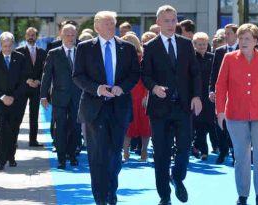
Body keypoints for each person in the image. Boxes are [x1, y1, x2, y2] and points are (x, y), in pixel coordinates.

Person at [73, 11, 139, 205]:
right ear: (97, 27)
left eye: (113, 23)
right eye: (107, 23)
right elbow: (78, 76)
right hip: (95, 109)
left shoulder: (126, 48)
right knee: (97, 155)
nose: (112, 26)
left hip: (119, 108)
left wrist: (123, 87)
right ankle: (101, 197)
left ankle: (111, 189)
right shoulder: (85, 48)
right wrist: (98, 88)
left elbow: (135, 74)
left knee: (114, 154)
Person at [216, 23, 258, 205]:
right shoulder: (229, 58)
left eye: (247, 38)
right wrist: (220, 111)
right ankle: (243, 195)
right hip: (235, 114)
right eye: (240, 38)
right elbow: (220, 86)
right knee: (242, 157)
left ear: (255, 41)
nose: (243, 42)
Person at [141, 5, 202, 205]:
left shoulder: (186, 44)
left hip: (183, 107)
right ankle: (164, 196)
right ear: (158, 23)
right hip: (159, 109)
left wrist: (197, 96)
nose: (170, 24)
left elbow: (195, 73)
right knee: (161, 154)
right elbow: (145, 75)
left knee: (184, 148)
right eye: (166, 21)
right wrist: (154, 87)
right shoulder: (150, 47)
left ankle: (177, 177)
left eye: (173, 20)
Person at [40, 24, 81, 170]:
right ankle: (61, 158)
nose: (70, 38)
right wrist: (43, 96)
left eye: (72, 35)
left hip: (78, 97)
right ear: (62, 36)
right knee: (61, 127)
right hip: (59, 97)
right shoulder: (53, 53)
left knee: (76, 128)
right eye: (67, 35)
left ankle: (73, 155)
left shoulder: (81, 52)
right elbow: (46, 76)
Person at [0, 32, 27, 170]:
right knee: (0, 129)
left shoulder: (20, 58)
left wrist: (13, 97)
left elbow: (23, 80)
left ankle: (11, 157)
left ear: (13, 44)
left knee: (13, 129)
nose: (7, 49)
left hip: (16, 101)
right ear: (1, 45)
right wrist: (3, 97)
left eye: (10, 46)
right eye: (5, 46)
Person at [209, 23, 239, 164]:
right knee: (220, 123)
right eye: (225, 33)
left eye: (228, 33)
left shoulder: (243, 49)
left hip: (238, 95)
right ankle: (223, 151)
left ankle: (235, 153)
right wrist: (211, 90)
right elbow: (214, 73)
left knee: (235, 125)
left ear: (236, 34)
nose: (225, 36)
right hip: (222, 93)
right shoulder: (220, 51)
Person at [121, 33, 151, 163]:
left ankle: (144, 152)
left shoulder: (143, 59)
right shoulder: (121, 59)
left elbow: (148, 78)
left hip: (142, 95)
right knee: (127, 126)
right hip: (127, 95)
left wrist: (147, 95)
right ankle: (125, 152)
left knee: (145, 126)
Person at [16, 27, 47, 147]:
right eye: (29, 34)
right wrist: (27, 80)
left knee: (34, 115)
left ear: (36, 36)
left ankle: (33, 140)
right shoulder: (19, 51)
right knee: (18, 114)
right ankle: (14, 141)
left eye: (33, 35)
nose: (31, 37)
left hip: (36, 88)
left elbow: (45, 70)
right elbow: (16, 71)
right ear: (25, 36)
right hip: (23, 88)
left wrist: (39, 80)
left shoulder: (42, 52)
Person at [192, 32, 217, 160]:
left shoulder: (213, 57)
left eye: (204, 44)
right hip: (195, 95)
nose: (202, 46)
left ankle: (196, 145)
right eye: (199, 44)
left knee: (208, 123)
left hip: (209, 96)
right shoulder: (191, 58)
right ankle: (204, 150)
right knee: (198, 123)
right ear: (194, 45)